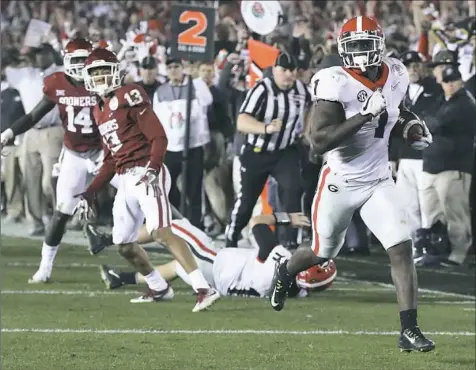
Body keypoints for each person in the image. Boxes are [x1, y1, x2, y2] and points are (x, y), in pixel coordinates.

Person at [269, 16, 435, 352]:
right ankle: (285, 271)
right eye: (353, 46)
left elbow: (398, 110)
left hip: (377, 179)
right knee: (321, 252)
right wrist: (363, 115)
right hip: (340, 182)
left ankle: (409, 329)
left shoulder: (397, 72)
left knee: (401, 247)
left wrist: (411, 126)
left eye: (365, 45)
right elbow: (317, 142)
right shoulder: (334, 81)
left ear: (379, 44)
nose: (359, 53)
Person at [77, 48, 219, 312]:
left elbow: (159, 137)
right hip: (124, 177)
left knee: (161, 232)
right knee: (123, 244)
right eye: (93, 73)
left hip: (146, 170)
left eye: (102, 72)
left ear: (115, 72)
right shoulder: (99, 109)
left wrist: (153, 168)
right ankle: (159, 287)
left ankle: (204, 288)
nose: (98, 78)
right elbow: (109, 160)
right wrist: (90, 191)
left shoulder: (129, 94)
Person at [0, 38, 104, 283]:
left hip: (103, 152)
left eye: (84, 59)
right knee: (62, 211)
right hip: (75, 154)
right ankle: (45, 268)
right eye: (76, 59)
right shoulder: (57, 83)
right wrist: (9, 133)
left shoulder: (102, 82)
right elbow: (34, 114)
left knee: (139, 196)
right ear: (66, 61)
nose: (80, 65)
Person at [89, 207, 313, 298]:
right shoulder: (295, 291)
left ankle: (108, 240)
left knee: (170, 224)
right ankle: (121, 278)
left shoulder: (280, 260)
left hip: (214, 262)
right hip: (216, 282)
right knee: (180, 266)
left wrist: (287, 218)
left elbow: (256, 221)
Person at [225, 52, 311, 249]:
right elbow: (242, 121)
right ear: (274, 70)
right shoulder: (262, 89)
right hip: (257, 151)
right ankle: (232, 235)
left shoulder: (301, 89)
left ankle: (289, 240)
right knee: (247, 200)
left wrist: (306, 131)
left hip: (283, 151)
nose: (289, 75)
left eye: (292, 70)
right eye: (284, 70)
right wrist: (266, 128)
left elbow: (311, 107)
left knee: (293, 189)